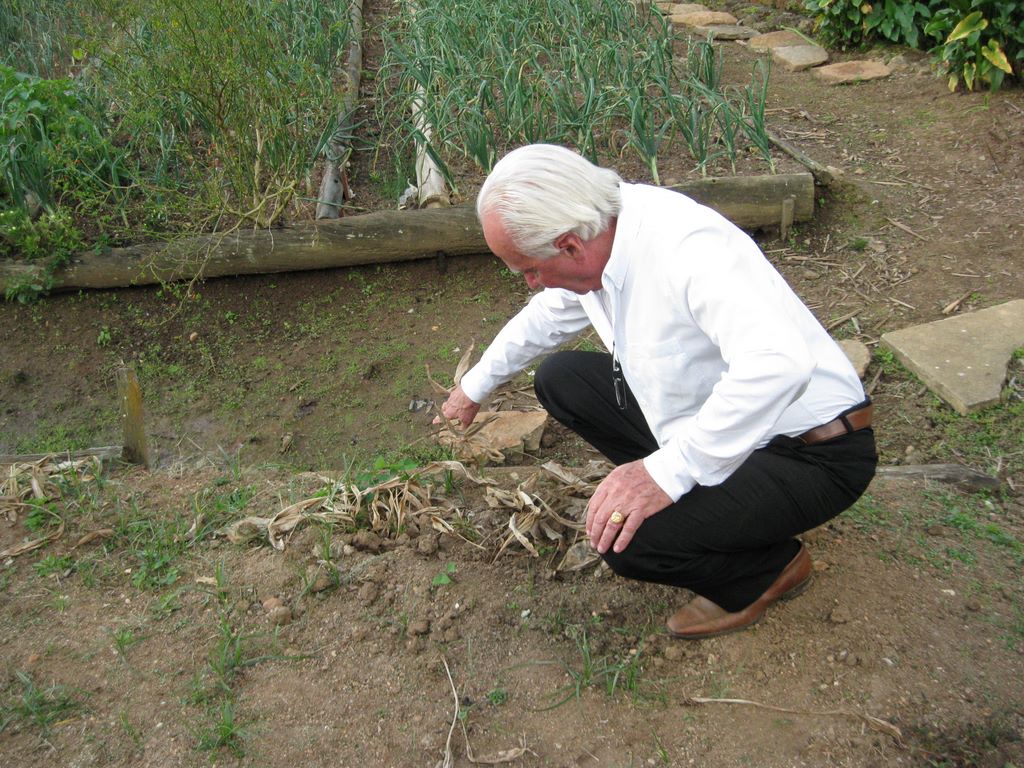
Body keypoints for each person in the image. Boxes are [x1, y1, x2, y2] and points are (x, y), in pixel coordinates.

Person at [440, 144, 877, 639]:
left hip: (814, 453)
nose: (530, 283)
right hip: (734, 429)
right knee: (562, 380)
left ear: (569, 246)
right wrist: (475, 386)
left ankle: (768, 570)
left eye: (529, 269)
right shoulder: (605, 232)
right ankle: (717, 505)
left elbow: (779, 365)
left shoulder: (684, 248)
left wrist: (665, 474)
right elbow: (546, 316)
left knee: (628, 542)